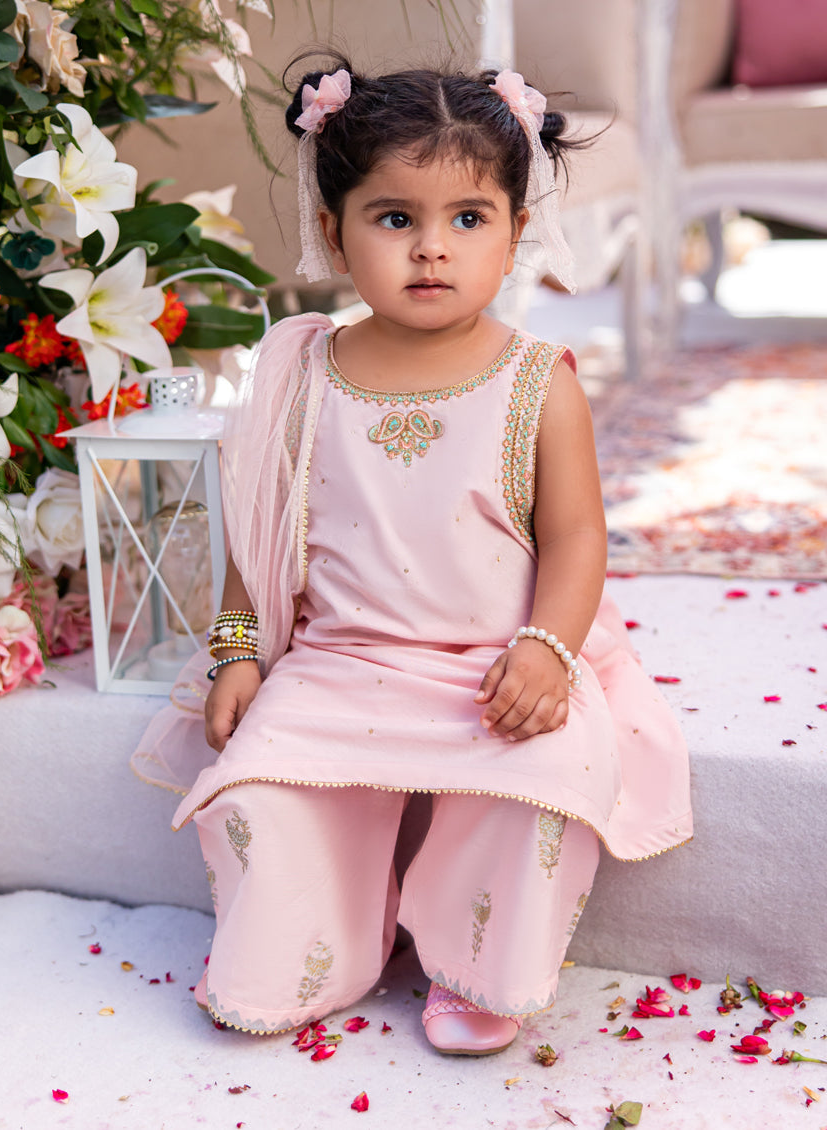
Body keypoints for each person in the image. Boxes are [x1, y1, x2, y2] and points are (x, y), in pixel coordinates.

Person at [133, 55, 692, 1056]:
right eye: (394, 218)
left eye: (468, 218)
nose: (432, 247)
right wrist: (237, 653)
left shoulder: (537, 380)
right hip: (337, 666)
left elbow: (576, 537)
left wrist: (547, 649)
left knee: (537, 788)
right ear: (334, 232)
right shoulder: (303, 372)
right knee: (257, 791)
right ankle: (319, 951)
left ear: (515, 234)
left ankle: (476, 968)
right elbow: (258, 537)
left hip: (491, 670)